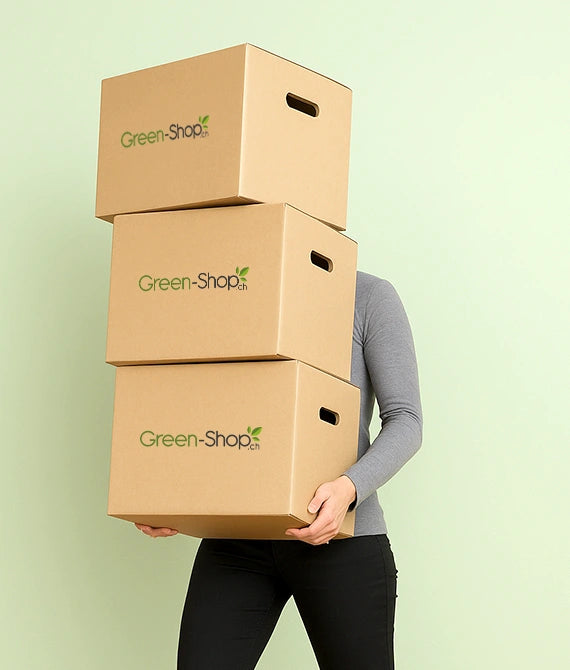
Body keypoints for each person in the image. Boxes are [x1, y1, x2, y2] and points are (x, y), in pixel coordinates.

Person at [135, 270, 423, 670]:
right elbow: (201, 399)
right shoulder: (230, 288)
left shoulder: (368, 296)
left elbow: (406, 420)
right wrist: (171, 497)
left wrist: (349, 489)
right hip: (237, 539)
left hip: (341, 539)